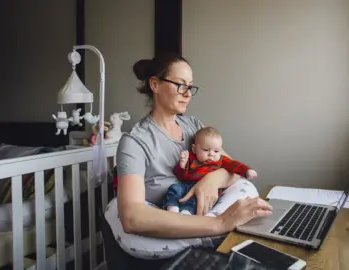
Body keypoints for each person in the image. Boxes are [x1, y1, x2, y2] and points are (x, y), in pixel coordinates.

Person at [103, 52, 273, 264]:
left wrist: (210, 181)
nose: (188, 94)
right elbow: (133, 217)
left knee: (246, 186)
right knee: (115, 211)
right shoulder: (134, 142)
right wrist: (220, 223)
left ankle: (209, 232)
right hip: (171, 212)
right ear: (155, 85)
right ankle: (215, 232)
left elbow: (231, 168)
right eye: (180, 85)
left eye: (190, 87)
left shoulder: (193, 126)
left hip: (206, 210)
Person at [165, 126, 258, 215]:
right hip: (186, 185)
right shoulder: (190, 158)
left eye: (216, 151)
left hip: (205, 191)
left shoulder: (220, 160)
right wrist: (182, 165)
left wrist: (246, 171)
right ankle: (172, 208)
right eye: (206, 150)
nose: (211, 154)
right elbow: (181, 176)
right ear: (194, 149)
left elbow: (234, 165)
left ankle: (186, 212)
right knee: (174, 188)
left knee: (196, 199)